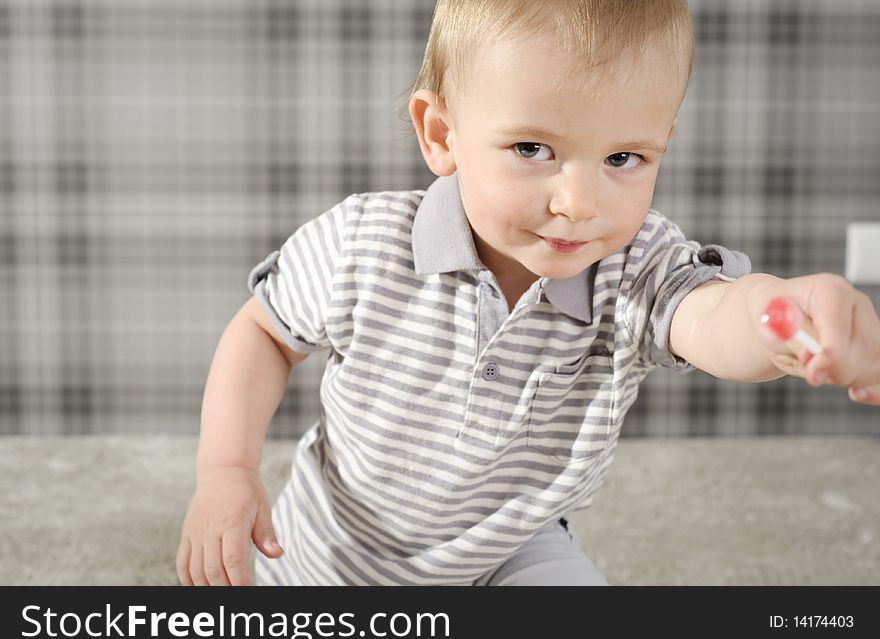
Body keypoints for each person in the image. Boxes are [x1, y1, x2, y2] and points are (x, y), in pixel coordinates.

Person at [177, 0, 880, 586]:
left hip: (510, 553)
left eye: (623, 159)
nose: (578, 203)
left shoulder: (636, 268)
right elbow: (264, 333)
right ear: (442, 133)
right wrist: (226, 470)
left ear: (662, 143)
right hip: (326, 552)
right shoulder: (361, 244)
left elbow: (711, 314)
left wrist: (778, 317)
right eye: (532, 150)